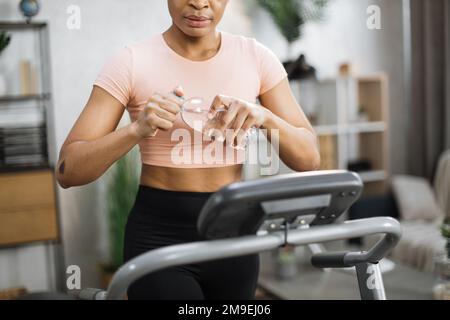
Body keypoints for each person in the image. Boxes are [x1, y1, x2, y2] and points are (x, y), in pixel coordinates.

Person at [55, 0, 320, 300]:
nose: (199, 2)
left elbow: (309, 158)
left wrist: (264, 117)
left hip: (234, 239)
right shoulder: (130, 61)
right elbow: (68, 169)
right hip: (160, 237)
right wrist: (136, 130)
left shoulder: (257, 58)